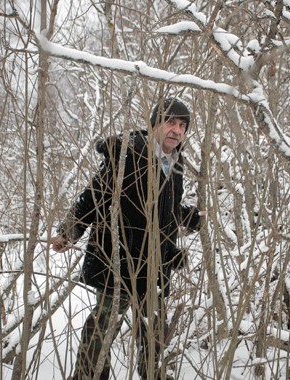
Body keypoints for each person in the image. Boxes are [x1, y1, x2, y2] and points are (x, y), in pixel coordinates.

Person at [49, 98, 201, 379]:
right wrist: (68, 232)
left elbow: (163, 208)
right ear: (155, 124)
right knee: (104, 325)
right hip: (118, 259)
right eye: (170, 122)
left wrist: (188, 217)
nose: (177, 130)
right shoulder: (130, 154)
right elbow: (95, 195)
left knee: (155, 328)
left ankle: (152, 375)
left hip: (154, 263)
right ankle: (87, 376)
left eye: (182, 125)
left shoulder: (176, 164)